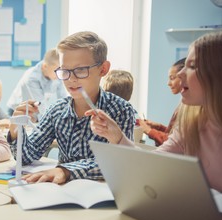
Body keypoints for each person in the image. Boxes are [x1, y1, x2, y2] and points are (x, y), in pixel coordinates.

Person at [87, 32, 222, 193]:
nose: (180, 74)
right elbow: (151, 164)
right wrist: (117, 136)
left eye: (192, 66)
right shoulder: (191, 125)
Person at [8, 31, 136, 184]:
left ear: (103, 69)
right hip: (62, 192)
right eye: (64, 71)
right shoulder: (57, 110)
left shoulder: (121, 110)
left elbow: (116, 161)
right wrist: (16, 129)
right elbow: (26, 156)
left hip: (103, 194)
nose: (71, 79)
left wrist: (66, 171)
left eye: (81, 70)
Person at [137, 58, 186, 146]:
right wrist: (159, 127)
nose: (168, 83)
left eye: (172, 78)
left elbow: (175, 143)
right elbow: (175, 136)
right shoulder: (183, 103)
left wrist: (149, 130)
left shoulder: (190, 107)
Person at [6, 48, 68, 116]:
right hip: (17, 109)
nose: (59, 74)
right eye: (56, 70)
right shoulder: (32, 78)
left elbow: (63, 98)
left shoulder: (57, 75)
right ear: (45, 66)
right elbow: (41, 105)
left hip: (33, 109)